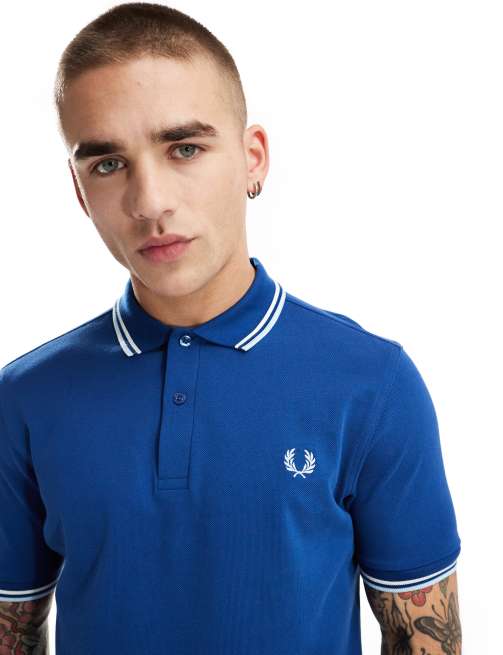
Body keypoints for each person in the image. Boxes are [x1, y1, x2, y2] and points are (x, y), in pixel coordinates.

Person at [0, 3, 462, 654]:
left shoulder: (373, 384)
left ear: (252, 160)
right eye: (107, 164)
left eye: (184, 148)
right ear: (79, 191)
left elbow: (423, 639)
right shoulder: (25, 397)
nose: (149, 202)